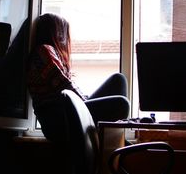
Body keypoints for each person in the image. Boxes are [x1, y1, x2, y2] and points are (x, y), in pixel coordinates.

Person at [27, 13, 130, 143]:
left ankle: (113, 140)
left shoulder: (46, 51)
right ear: (55, 33)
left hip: (67, 113)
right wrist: (86, 102)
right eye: (62, 32)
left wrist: (87, 101)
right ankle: (112, 142)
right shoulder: (43, 51)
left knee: (118, 79)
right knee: (121, 104)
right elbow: (64, 86)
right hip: (58, 120)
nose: (64, 38)